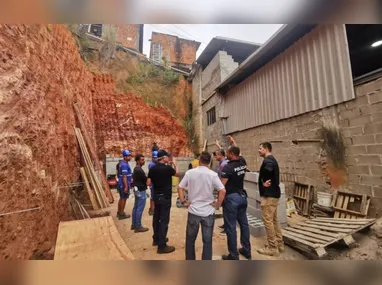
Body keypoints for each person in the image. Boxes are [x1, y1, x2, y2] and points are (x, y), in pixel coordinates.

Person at [178, 151, 226, 260]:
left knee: (190, 240)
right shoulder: (213, 174)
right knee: (207, 241)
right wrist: (217, 204)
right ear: (209, 162)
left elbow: (180, 187)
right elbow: (222, 190)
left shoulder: (190, 173)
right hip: (208, 212)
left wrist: (183, 202)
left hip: (194, 211)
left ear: (199, 161)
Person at [220, 146, 251, 260]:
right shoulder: (242, 162)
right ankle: (246, 250)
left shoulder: (227, 168)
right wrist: (233, 142)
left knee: (231, 227)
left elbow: (221, 187)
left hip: (232, 199)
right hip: (243, 197)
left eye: (227, 153)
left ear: (232, 154)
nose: (226, 154)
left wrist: (218, 201)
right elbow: (240, 152)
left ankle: (233, 255)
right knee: (244, 224)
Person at [147, 149, 179, 254]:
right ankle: (162, 246)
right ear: (164, 158)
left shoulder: (152, 169)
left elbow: (149, 182)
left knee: (156, 218)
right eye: (167, 157)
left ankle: (156, 239)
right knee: (164, 221)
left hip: (156, 196)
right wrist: (175, 164)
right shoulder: (168, 169)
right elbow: (177, 173)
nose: (169, 159)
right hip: (165, 197)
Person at [257, 142, 284, 257]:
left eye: (260, 148)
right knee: (274, 220)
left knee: (268, 221)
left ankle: (273, 248)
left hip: (269, 196)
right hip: (274, 195)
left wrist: (264, 181)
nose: (258, 150)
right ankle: (279, 244)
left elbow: (268, 169)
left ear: (266, 149)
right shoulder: (272, 159)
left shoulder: (268, 160)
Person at [131, 154, 149, 233]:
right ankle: (138, 226)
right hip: (141, 191)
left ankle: (134, 224)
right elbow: (146, 181)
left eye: (143, 159)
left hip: (137, 190)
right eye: (142, 160)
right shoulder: (139, 170)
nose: (143, 161)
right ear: (138, 161)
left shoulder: (136, 169)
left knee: (136, 207)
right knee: (139, 209)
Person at [214, 149, 229, 236]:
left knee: (226, 208)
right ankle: (225, 224)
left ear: (220, 155)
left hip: (224, 188)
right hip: (222, 187)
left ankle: (227, 228)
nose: (216, 157)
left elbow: (223, 178)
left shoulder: (224, 164)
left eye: (216, 155)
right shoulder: (221, 164)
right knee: (224, 208)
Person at [117, 150, 132, 220]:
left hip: (121, 183)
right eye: (128, 156)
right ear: (124, 157)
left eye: (130, 155)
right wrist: (126, 186)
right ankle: (121, 214)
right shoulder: (124, 165)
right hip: (123, 184)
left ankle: (119, 212)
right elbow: (124, 176)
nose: (130, 157)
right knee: (123, 198)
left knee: (121, 197)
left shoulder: (123, 163)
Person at [147, 151, 158, 216]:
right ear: (153, 158)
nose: (156, 159)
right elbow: (152, 175)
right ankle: (152, 209)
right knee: (153, 197)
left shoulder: (154, 164)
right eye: (155, 158)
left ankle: (152, 208)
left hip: (154, 183)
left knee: (153, 196)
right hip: (153, 183)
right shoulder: (152, 164)